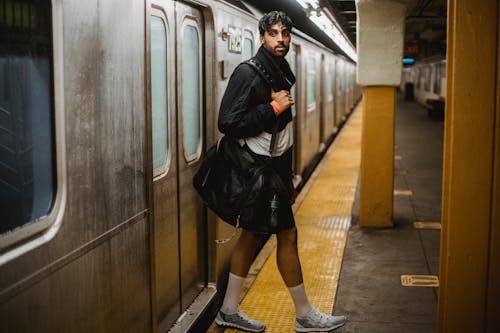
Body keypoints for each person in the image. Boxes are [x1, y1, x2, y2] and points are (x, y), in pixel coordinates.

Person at [214, 11, 347, 333]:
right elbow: (227, 122)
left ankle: (229, 309)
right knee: (288, 234)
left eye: (285, 34)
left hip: (273, 167)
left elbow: (281, 131)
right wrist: (271, 108)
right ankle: (304, 315)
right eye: (273, 34)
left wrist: (287, 176)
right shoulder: (248, 74)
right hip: (256, 170)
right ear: (261, 37)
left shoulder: (282, 70)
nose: (281, 40)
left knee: (253, 233)